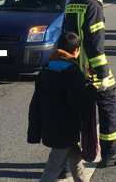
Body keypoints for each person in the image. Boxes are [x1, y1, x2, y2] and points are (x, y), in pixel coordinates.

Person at [63, 0, 116, 167]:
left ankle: (67, 161)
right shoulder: (94, 5)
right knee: (108, 107)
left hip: (74, 67)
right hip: (92, 69)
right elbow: (95, 42)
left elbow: (68, 36)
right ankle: (110, 153)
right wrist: (102, 72)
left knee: (76, 113)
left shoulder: (72, 3)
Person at [28, 32, 94, 182]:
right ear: (76, 50)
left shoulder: (46, 69)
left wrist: (34, 130)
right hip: (65, 127)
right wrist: (92, 90)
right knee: (53, 167)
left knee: (75, 157)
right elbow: (80, 101)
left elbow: (36, 102)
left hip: (49, 124)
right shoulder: (72, 72)